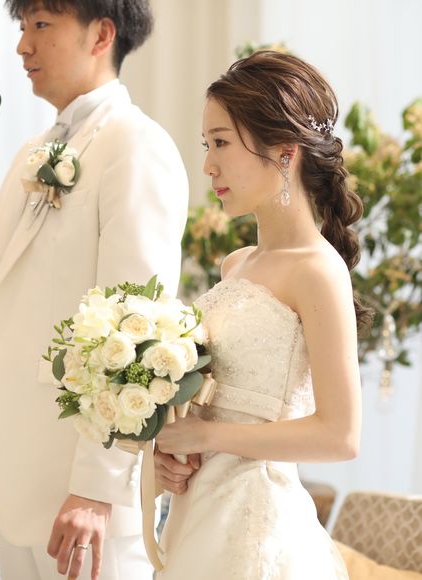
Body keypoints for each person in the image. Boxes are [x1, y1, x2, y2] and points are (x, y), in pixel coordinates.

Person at [0, 1, 188, 579]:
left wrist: (96, 488)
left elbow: (137, 327)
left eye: (41, 25)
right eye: (22, 27)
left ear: (101, 34)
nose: (23, 46)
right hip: (19, 479)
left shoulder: (137, 146)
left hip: (82, 495)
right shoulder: (32, 154)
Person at [153, 50, 370, 579]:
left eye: (221, 142)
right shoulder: (236, 264)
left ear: (284, 153)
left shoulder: (317, 270)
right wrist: (171, 452)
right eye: (206, 145)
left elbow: (340, 435)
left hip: (258, 527)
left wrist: (208, 438)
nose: (208, 165)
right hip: (199, 513)